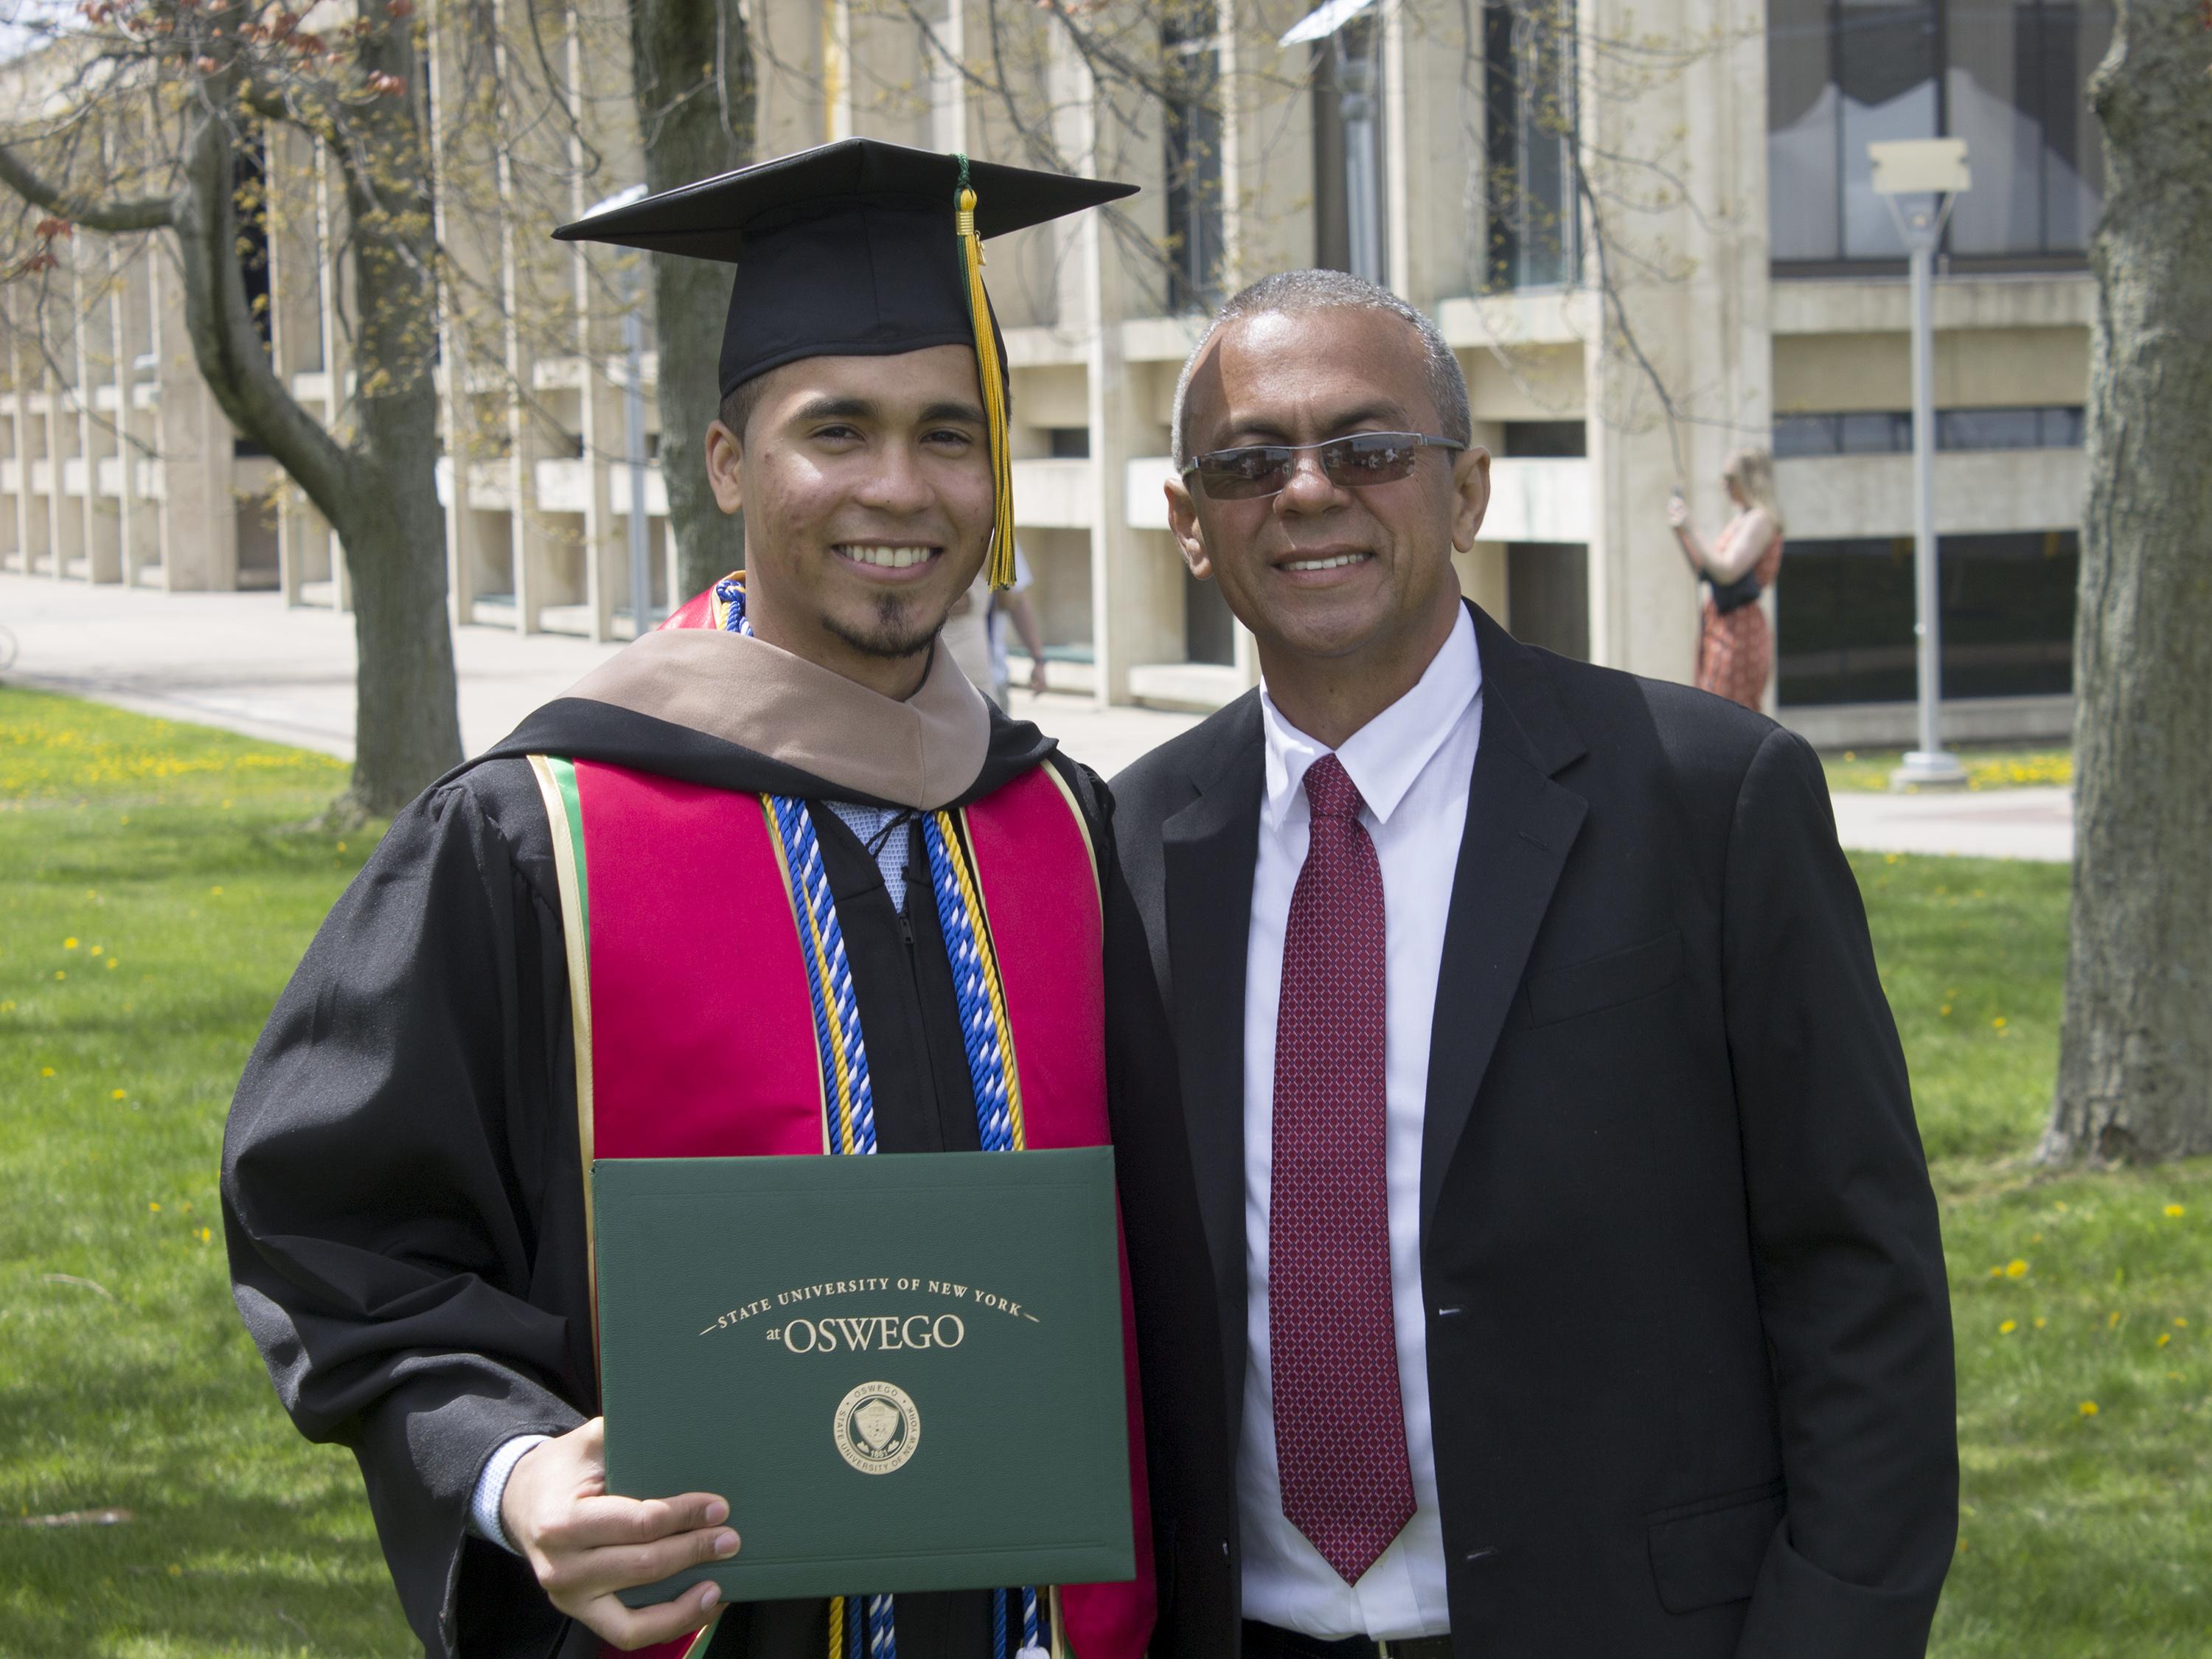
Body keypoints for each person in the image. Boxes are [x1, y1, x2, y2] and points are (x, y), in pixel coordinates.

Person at [220, 139, 1186, 1659]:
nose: (899, 488)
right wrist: (517, 1469)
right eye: (837, 432)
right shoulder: (536, 836)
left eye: (948, 434)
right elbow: (334, 1228)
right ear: (732, 466)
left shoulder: (1055, 822)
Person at [1109, 271, 1956, 1659]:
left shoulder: (1708, 799)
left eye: (1372, 450)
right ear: (1191, 527)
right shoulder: (1128, 844)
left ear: (1468, 492)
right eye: (1251, 463)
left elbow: (1858, 1280)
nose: (1310, 492)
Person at [1667, 447, 1787, 711]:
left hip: (1739, 627)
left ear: (1752, 479)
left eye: (1731, 478)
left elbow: (1727, 570)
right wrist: (1681, 533)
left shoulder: (1760, 520)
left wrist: (1692, 528)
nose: (1724, 485)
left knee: (1728, 713)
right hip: (1720, 623)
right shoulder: (1742, 520)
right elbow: (1707, 572)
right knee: (1710, 707)